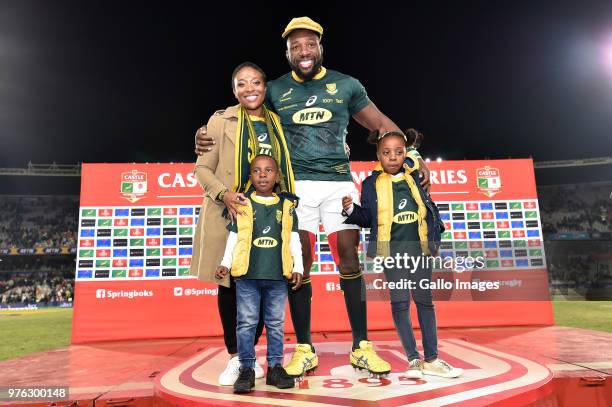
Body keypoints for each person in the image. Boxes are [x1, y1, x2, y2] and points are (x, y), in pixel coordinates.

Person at [195, 17, 431, 379]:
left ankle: (361, 347)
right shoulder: (273, 89)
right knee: (299, 263)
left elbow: (382, 124)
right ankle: (304, 348)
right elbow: (244, 110)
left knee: (350, 257)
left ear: (320, 47)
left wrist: (411, 154)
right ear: (287, 52)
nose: (303, 52)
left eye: (309, 45)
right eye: (295, 46)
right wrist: (204, 133)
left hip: (338, 183)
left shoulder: (346, 85)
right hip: (296, 187)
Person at [189, 62, 296, 385]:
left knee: (265, 286)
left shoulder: (278, 124)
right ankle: (237, 358)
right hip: (229, 215)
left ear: (266, 87)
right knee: (232, 286)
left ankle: (254, 355)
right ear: (234, 90)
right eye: (241, 84)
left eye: (256, 82)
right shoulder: (221, 121)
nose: (250, 89)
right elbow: (202, 170)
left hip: (268, 218)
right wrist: (225, 195)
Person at [342, 131, 463, 379]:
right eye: (386, 153)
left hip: (419, 251)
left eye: (399, 152)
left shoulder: (417, 178)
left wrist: (435, 235)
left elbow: (429, 210)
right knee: (400, 303)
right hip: (391, 254)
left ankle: (432, 358)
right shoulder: (369, 184)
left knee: (424, 301)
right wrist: (351, 210)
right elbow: (368, 218)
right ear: (378, 155)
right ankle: (413, 359)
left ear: (406, 153)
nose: (393, 157)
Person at [216, 154, 303, 393]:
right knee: (246, 324)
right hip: (247, 277)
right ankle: (246, 369)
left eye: (268, 170)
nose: (262, 175)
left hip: (277, 278)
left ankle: (275, 367)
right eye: (257, 170)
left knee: (275, 323)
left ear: (277, 176)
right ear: (250, 176)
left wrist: (299, 268)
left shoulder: (286, 207)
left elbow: (293, 239)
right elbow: (234, 237)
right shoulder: (243, 204)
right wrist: (225, 262)